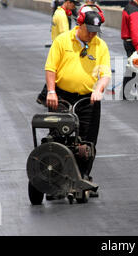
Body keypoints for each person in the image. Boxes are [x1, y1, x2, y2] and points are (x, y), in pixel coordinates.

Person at [44, 10, 111, 188]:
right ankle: (55, 178)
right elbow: (51, 68)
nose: (92, 34)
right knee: (59, 137)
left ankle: (82, 177)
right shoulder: (62, 41)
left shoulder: (100, 46)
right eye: (89, 30)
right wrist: (51, 92)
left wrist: (99, 89)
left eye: (95, 31)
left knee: (88, 141)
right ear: (79, 25)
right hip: (62, 97)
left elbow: (105, 74)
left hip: (88, 100)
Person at [37, 0, 81, 105]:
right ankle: (44, 96)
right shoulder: (62, 16)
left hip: (56, 44)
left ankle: (43, 96)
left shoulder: (58, 12)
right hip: (62, 47)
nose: (74, 7)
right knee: (59, 73)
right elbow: (65, 35)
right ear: (68, 3)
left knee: (56, 72)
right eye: (74, 5)